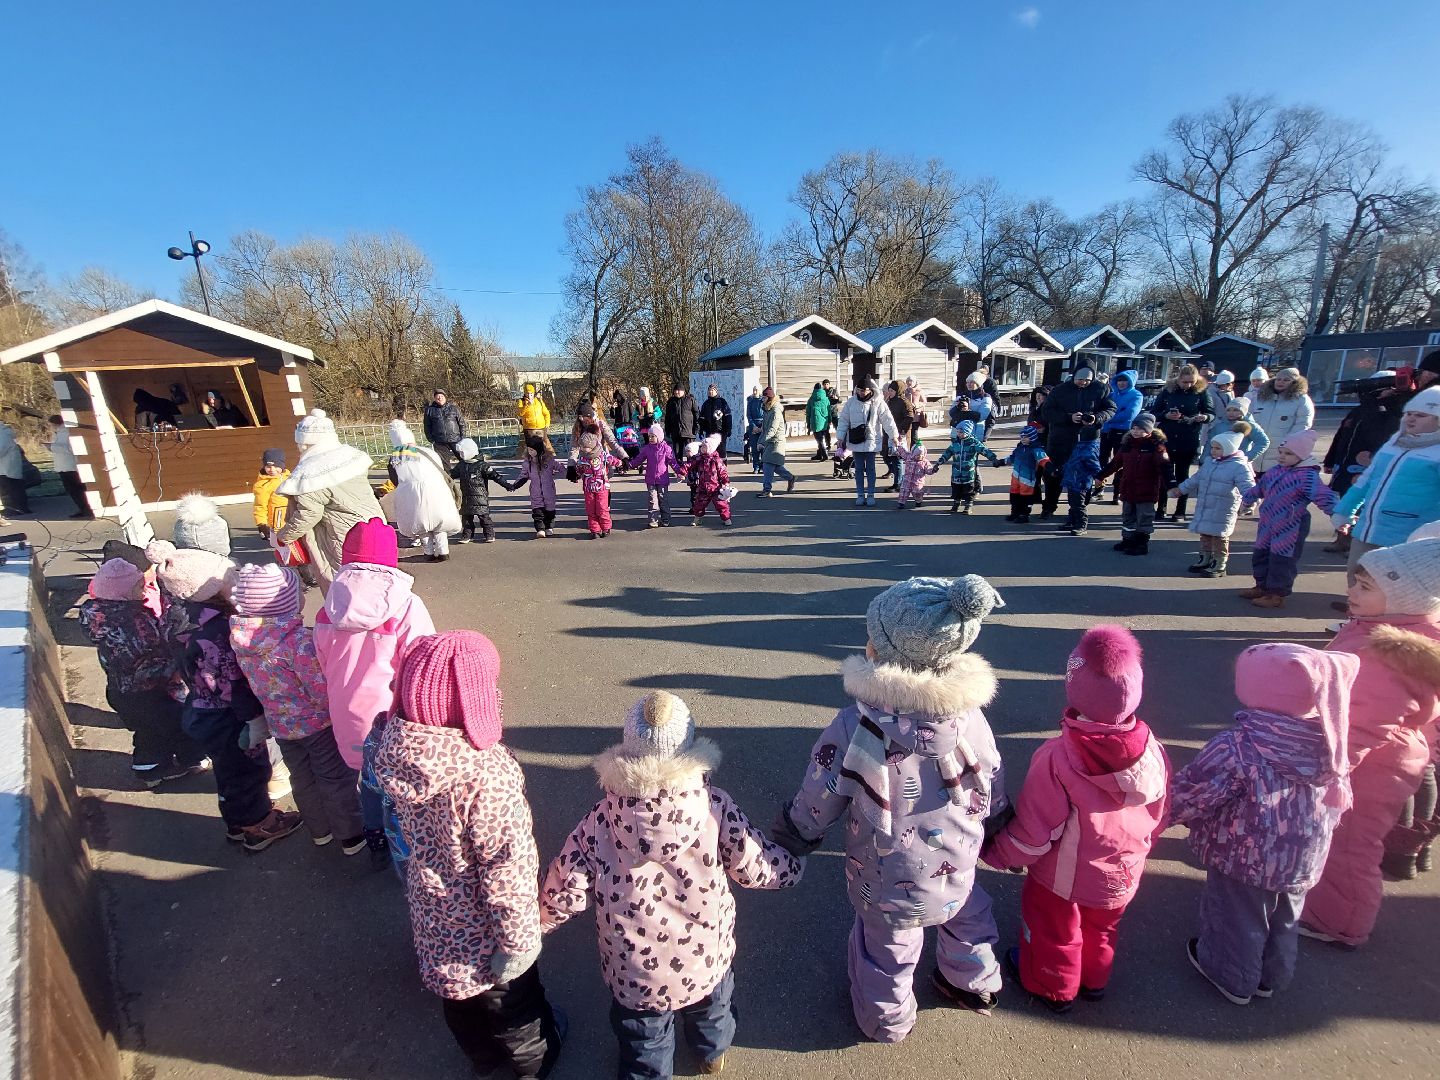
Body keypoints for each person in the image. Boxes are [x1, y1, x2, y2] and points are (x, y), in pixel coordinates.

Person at [771, 576, 1009, 1041]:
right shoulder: (969, 715)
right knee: (966, 912)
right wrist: (997, 815)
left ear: (885, 652)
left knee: (888, 947)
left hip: (885, 869)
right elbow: (989, 772)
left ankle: (886, 1020)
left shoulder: (858, 723)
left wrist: (797, 832)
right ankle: (974, 982)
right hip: (956, 856)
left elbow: (824, 788)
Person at [539, 690, 801, 1079]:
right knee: (713, 1010)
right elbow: (754, 862)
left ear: (628, 751)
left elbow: (567, 882)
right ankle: (712, 1055)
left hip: (634, 968)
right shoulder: (715, 808)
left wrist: (539, 919)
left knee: (644, 1037)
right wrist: (790, 869)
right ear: (691, 751)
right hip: (704, 955)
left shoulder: (601, 819)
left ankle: (646, 1074)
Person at [375, 632, 566, 1080]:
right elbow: (509, 872)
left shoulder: (399, 750)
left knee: (458, 1000)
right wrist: (518, 944)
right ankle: (534, 1065)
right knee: (513, 1004)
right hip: (487, 928)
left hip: (434, 914)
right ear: (478, 698)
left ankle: (483, 1060)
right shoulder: (487, 775)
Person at [984, 626, 1168, 1013]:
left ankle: (1053, 988)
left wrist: (1000, 853)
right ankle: (1095, 980)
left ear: (1075, 689)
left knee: (1055, 933)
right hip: (1123, 869)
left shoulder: (1058, 758)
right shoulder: (1154, 749)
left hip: (1062, 879)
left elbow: (1036, 830)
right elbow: (1161, 809)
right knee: (1102, 927)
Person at [1168, 642, 1359, 1006]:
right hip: (1303, 856)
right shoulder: (1331, 742)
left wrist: (1162, 815)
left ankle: (1231, 976)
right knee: (1285, 915)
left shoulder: (1239, 745)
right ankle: (1272, 976)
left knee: (1236, 916)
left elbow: (1198, 791)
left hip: (1243, 854)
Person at [1298, 539, 1440, 949]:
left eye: (1365, 587)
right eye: (1355, 582)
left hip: (1371, 763)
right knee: (1343, 838)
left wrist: (1329, 771)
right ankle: (1332, 904)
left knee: (1350, 843)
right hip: (1385, 754)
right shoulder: (1383, 630)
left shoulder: (1388, 652)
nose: (1351, 592)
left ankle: (1342, 923)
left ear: (1403, 596)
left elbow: (1364, 723)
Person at [145, 539, 302, 852]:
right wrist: (254, 718)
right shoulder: (217, 633)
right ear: (210, 590)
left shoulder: (180, 617)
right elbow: (232, 683)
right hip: (228, 717)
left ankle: (237, 822)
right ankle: (256, 826)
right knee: (246, 771)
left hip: (201, 707)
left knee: (229, 772)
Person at [314, 518, 436, 871]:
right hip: (392, 716)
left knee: (366, 781)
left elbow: (322, 660)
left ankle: (375, 839)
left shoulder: (329, 607)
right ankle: (406, 853)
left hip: (346, 716)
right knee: (398, 788)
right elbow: (421, 661)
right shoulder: (405, 605)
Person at [229, 563, 364, 855]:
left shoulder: (242, 640)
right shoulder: (298, 641)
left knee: (301, 778)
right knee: (334, 778)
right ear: (285, 602)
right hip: (317, 724)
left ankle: (320, 831)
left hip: (281, 725)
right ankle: (350, 834)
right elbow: (317, 688)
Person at [79, 558, 207, 788]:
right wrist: (175, 667)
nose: (143, 590)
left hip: (122, 689)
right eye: (138, 587)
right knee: (171, 724)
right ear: (122, 592)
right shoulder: (130, 623)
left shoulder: (99, 615)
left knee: (150, 729)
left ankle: (171, 760)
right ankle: (158, 767)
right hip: (149, 691)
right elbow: (142, 663)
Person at [1331, 386, 1440, 582]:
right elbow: (1366, 481)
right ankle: (1357, 612)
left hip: (1408, 537)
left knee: (1393, 589)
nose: (1411, 419)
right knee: (1357, 579)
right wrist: (1344, 510)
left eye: (1421, 415)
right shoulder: (1393, 444)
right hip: (1367, 529)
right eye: (1408, 413)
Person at [274, 410, 383, 591]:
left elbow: (308, 514)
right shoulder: (349, 459)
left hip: (342, 535)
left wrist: (284, 535)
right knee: (377, 576)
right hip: (374, 525)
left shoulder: (312, 475)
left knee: (348, 585)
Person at [1237, 431, 1337, 609]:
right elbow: (1260, 487)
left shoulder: (1306, 476)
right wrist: (1248, 498)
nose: (1282, 456)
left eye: (1289, 454)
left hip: (1291, 524)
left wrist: (1338, 515)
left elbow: (1324, 497)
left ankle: (1276, 594)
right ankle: (1262, 585)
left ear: (1302, 456)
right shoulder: (1275, 471)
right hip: (1268, 521)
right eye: (1281, 452)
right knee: (1261, 554)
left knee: (1282, 559)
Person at [1321, 374, 1404, 552]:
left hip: (1365, 467)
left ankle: (1357, 541)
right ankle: (1343, 537)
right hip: (1345, 464)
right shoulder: (1359, 411)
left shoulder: (1390, 413)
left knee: (1363, 505)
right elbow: (1341, 436)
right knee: (1344, 500)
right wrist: (1330, 459)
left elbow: (1386, 439)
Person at [1171, 431, 1256, 579]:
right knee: (1205, 533)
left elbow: (1248, 487)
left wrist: (1248, 502)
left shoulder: (1239, 466)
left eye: (1218, 448)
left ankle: (1219, 563)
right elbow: (1196, 478)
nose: (1213, 451)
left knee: (1219, 536)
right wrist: (1181, 489)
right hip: (1206, 504)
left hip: (1224, 508)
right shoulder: (1210, 462)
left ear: (1229, 449)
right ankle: (1205, 558)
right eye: (1213, 447)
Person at [1039, 368, 1115, 519]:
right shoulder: (1060, 390)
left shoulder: (1101, 389)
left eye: (1087, 380)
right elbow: (1047, 412)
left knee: (1083, 477)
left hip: (1088, 439)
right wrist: (1068, 417)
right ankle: (1049, 507)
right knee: (1054, 476)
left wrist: (1095, 418)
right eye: (1080, 379)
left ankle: (1078, 511)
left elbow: (1111, 409)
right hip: (1060, 440)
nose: (1083, 382)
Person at [387, 420, 461, 562]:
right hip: (436, 489)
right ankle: (443, 551)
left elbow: (395, 480)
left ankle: (428, 552)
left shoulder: (395, 458)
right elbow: (441, 470)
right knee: (439, 522)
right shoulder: (428, 452)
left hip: (410, 493)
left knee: (421, 525)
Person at [1100, 413, 1169, 556]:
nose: (1135, 431)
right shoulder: (1127, 445)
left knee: (1144, 517)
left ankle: (1141, 543)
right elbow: (1115, 463)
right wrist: (1101, 476)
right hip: (1128, 488)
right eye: (1134, 428)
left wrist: (1172, 485)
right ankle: (1128, 539)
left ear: (1149, 430)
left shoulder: (1156, 447)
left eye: (1139, 429)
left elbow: (1164, 467)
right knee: (1128, 516)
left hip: (1147, 489)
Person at [1153, 364, 1215, 522]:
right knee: (1165, 474)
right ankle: (1161, 507)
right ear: (1179, 379)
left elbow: (1211, 413)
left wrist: (1204, 417)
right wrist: (1166, 415)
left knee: (1183, 475)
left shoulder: (1201, 392)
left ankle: (1180, 511)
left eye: (1191, 382)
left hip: (1188, 438)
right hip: (1167, 437)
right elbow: (1154, 412)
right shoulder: (1168, 391)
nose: (1188, 385)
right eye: (1185, 382)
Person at [839, 378, 902, 506]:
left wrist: (894, 436)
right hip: (856, 440)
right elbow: (843, 420)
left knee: (871, 469)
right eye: (859, 390)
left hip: (871, 440)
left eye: (864, 390)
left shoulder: (878, 402)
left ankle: (871, 494)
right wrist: (840, 437)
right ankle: (860, 494)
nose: (861, 393)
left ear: (870, 390)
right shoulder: (851, 402)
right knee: (858, 469)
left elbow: (887, 420)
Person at [1248, 368, 1315, 476]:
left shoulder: (1302, 400)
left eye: (1286, 380)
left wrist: (1287, 444)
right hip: (1257, 450)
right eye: (1278, 379)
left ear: (1294, 382)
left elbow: (1303, 425)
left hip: (1281, 452)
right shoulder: (1261, 397)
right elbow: (1249, 418)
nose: (1280, 382)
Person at [451, 437, 518, 544]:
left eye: (463, 452)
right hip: (466, 497)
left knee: (484, 518)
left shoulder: (482, 466)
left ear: (470, 451)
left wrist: (507, 485)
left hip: (480, 497)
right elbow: (451, 475)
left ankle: (489, 534)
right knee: (466, 519)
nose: (461, 455)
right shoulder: (461, 465)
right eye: (460, 453)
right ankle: (467, 535)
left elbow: (496, 477)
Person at [933, 422, 999, 515]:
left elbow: (985, 450)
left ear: (967, 432)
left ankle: (968, 505)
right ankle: (956, 503)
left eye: (961, 432)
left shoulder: (973, 442)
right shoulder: (955, 443)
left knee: (969, 489)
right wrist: (938, 463)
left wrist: (993, 458)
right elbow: (947, 453)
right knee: (956, 488)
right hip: (956, 472)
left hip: (968, 472)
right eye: (958, 432)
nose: (959, 434)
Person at [1098, 370, 1142, 502]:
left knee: (1120, 463)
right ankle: (1099, 488)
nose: (1122, 383)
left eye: (1125, 380)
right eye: (1119, 380)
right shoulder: (1111, 395)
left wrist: (1108, 417)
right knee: (1101, 461)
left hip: (1122, 433)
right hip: (1106, 432)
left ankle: (1117, 492)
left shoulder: (1136, 395)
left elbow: (1129, 415)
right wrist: (1108, 416)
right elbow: (1101, 410)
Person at [513, 431, 566, 538]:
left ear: (539, 449)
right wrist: (515, 485)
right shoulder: (527, 463)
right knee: (537, 511)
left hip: (549, 491)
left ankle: (549, 527)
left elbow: (560, 467)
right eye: (529, 450)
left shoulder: (549, 460)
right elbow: (523, 476)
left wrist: (571, 474)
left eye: (532, 450)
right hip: (535, 491)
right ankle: (540, 529)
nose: (530, 452)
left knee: (550, 510)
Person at [574, 430, 624, 538]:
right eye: (582, 447)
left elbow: (612, 460)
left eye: (585, 447)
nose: (583, 449)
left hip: (602, 486)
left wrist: (620, 463)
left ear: (592, 445)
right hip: (588, 487)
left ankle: (606, 527)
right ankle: (594, 529)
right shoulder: (582, 458)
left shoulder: (602, 455)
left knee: (602, 508)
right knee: (590, 509)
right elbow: (579, 469)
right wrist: (576, 474)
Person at [628, 423, 678, 528]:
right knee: (652, 500)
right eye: (649, 436)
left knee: (663, 500)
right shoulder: (647, 448)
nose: (650, 438)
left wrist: (679, 471)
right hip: (651, 479)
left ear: (659, 437)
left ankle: (665, 519)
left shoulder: (666, 449)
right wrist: (630, 464)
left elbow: (673, 462)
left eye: (653, 436)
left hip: (662, 479)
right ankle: (653, 520)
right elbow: (639, 459)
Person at [677, 433, 732, 527]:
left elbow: (723, 472)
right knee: (699, 504)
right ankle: (698, 518)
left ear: (710, 448)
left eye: (704, 447)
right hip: (703, 487)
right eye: (702, 446)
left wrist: (725, 482)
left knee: (721, 504)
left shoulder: (717, 460)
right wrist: (682, 473)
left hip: (716, 488)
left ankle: (726, 518)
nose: (702, 448)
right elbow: (689, 464)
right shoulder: (699, 458)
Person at [1002, 424, 1050, 524]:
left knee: (1026, 497)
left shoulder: (1036, 448)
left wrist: (1050, 467)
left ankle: (1024, 514)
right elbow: (1012, 458)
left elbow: (1043, 459)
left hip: (1028, 478)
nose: (1023, 439)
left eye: (1026, 437)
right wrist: (1001, 462)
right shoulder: (1020, 448)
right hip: (1016, 477)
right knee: (1014, 495)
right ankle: (1015, 512)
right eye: (1022, 436)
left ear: (1032, 437)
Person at [46, 415, 91, 518]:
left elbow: (70, 448)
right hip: (64, 466)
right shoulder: (59, 433)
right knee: (75, 490)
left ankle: (86, 509)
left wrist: (52, 447)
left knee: (76, 489)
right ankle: (83, 508)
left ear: (55, 424)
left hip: (70, 466)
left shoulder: (66, 433)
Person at [1061, 436, 1102, 536]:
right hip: (1072, 479)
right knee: (1072, 503)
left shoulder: (1089, 449)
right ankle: (1072, 521)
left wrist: (1099, 477)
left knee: (1079, 504)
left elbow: (1095, 466)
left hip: (1081, 482)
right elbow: (1071, 462)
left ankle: (1081, 525)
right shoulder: (1079, 447)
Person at [758, 387, 794, 497]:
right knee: (776, 467)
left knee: (767, 465)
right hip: (769, 441)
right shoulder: (767, 410)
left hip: (776, 442)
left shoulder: (776, 410)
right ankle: (791, 478)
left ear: (769, 398)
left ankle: (767, 490)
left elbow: (772, 430)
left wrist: (762, 442)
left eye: (764, 397)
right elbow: (765, 429)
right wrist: (760, 440)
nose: (762, 399)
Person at [422, 390, 465, 471]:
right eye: (437, 397)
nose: (440, 398)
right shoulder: (429, 410)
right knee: (445, 464)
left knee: (464, 458)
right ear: (434, 399)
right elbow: (427, 426)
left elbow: (461, 423)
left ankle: (467, 475)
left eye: (441, 396)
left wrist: (462, 437)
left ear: (445, 397)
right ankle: (449, 480)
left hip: (456, 439)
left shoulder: (454, 408)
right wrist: (431, 440)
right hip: (439, 441)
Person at [881, 382, 913, 491]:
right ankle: (900, 480)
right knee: (887, 456)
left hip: (900, 435)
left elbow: (909, 417)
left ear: (898, 391)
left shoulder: (904, 402)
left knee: (897, 459)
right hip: (888, 434)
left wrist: (899, 430)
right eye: (889, 390)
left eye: (892, 391)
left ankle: (898, 484)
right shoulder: (889, 401)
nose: (889, 392)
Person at [664, 385, 700, 462]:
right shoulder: (671, 401)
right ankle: (679, 470)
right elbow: (667, 417)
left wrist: (696, 427)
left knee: (690, 452)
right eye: (676, 390)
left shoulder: (690, 400)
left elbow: (696, 414)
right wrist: (667, 429)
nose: (677, 392)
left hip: (689, 431)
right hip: (676, 431)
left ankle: (691, 470)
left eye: (679, 390)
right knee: (677, 453)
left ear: (683, 391)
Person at [699, 383, 733, 459]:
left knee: (721, 451)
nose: (711, 392)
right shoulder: (706, 404)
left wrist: (728, 429)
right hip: (709, 431)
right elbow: (701, 418)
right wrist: (701, 430)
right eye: (709, 390)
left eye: (713, 390)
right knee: (710, 451)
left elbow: (728, 416)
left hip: (721, 431)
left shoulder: (722, 402)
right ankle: (712, 469)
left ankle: (722, 468)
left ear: (716, 391)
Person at [806, 381, 833, 460]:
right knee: (822, 438)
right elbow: (829, 411)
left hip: (816, 422)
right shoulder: (826, 399)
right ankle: (819, 454)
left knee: (819, 439)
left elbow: (808, 413)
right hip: (825, 421)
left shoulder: (811, 399)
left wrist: (808, 424)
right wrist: (829, 420)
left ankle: (824, 454)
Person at [743, 385, 764, 471]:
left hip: (762, 425)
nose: (754, 392)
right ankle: (756, 466)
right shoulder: (750, 401)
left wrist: (762, 426)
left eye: (756, 390)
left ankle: (763, 466)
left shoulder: (763, 401)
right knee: (755, 448)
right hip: (753, 426)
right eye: (753, 390)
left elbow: (766, 414)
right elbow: (749, 415)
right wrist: (753, 426)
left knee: (762, 447)